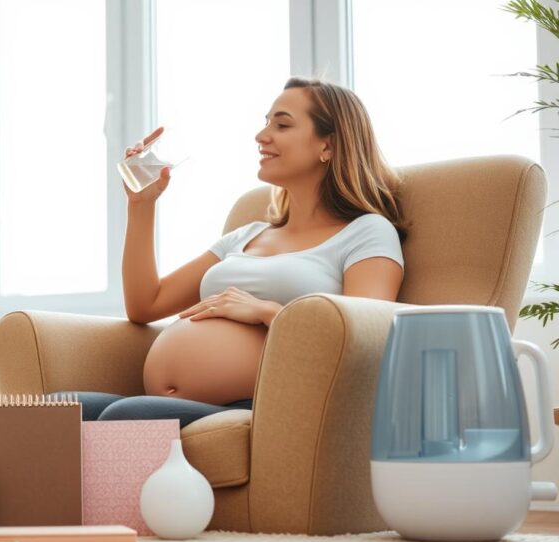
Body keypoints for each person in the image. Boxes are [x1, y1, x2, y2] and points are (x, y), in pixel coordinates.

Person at [56, 77, 406, 427]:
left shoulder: (366, 232)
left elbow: (365, 340)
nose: (262, 135)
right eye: (265, 122)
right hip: (178, 405)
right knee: (49, 411)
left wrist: (266, 311)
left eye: (282, 124)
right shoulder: (246, 235)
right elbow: (145, 304)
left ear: (327, 146)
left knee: (125, 418)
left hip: (264, 405)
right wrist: (141, 204)